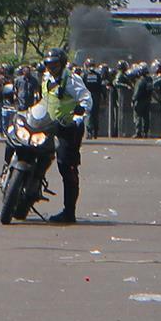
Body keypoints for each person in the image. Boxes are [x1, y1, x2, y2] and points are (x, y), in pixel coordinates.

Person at [37, 48, 92, 223]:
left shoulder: (71, 79)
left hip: (68, 127)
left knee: (66, 166)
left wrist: (79, 114)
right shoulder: (46, 79)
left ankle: (69, 212)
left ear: (61, 63)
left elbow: (86, 98)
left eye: (55, 64)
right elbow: (43, 101)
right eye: (48, 64)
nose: (51, 67)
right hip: (47, 125)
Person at [82, 59, 105, 139]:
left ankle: (89, 131)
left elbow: (82, 86)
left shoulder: (85, 75)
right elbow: (101, 86)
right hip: (96, 96)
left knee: (88, 113)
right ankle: (95, 132)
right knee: (95, 114)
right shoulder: (98, 75)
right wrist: (104, 96)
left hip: (87, 96)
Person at [132, 64, 154, 139]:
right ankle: (146, 132)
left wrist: (133, 100)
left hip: (140, 101)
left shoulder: (140, 80)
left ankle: (138, 133)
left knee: (138, 117)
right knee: (146, 118)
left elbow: (137, 92)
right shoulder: (150, 80)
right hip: (147, 100)